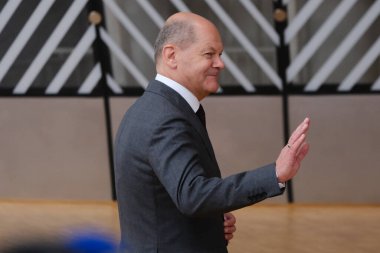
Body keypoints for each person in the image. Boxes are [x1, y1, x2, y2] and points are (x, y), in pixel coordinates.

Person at [114, 12, 310, 253]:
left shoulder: (154, 108)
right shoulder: (165, 117)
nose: (220, 63)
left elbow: (168, 200)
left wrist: (212, 222)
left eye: (220, 55)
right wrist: (275, 173)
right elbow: (192, 196)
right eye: (209, 54)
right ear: (171, 55)